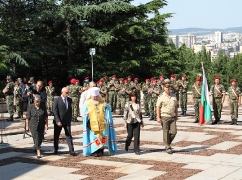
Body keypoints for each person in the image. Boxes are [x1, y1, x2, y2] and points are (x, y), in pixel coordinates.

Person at [82, 87, 117, 157]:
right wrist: (87, 114)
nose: (95, 98)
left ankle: (101, 150)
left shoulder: (102, 102)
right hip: (92, 124)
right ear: (91, 96)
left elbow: (107, 111)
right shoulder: (87, 103)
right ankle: (95, 151)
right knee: (94, 137)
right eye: (93, 96)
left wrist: (106, 110)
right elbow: (84, 113)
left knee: (103, 136)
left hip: (102, 123)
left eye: (96, 96)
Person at [156, 79, 178, 154]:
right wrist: (158, 117)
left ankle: (167, 143)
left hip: (172, 117)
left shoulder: (173, 95)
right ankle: (168, 147)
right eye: (166, 87)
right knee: (165, 132)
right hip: (164, 116)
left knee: (174, 132)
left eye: (168, 87)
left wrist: (177, 115)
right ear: (163, 87)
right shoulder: (161, 96)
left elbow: (176, 106)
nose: (167, 88)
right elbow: (158, 107)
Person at [53, 87, 76, 156]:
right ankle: (56, 148)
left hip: (67, 121)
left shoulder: (69, 100)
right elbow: (55, 111)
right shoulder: (57, 100)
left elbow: (70, 110)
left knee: (68, 135)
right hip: (59, 121)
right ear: (62, 92)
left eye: (68, 93)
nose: (67, 94)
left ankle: (71, 150)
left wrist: (70, 118)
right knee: (56, 136)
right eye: (66, 93)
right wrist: (57, 120)